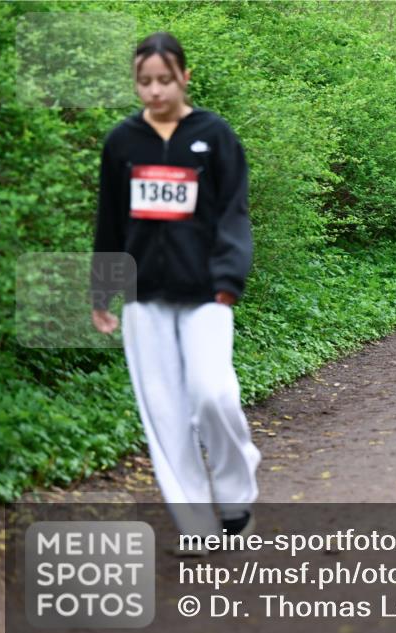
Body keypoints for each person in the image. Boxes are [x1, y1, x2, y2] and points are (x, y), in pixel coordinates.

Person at [91, 32, 260, 545]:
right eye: (144, 81)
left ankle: (236, 494)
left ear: (184, 77)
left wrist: (229, 279)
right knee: (165, 415)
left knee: (213, 394)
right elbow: (110, 221)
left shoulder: (215, 134)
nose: (155, 90)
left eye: (164, 80)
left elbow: (234, 213)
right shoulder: (122, 142)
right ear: (135, 83)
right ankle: (196, 526)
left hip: (207, 292)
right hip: (145, 299)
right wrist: (102, 290)